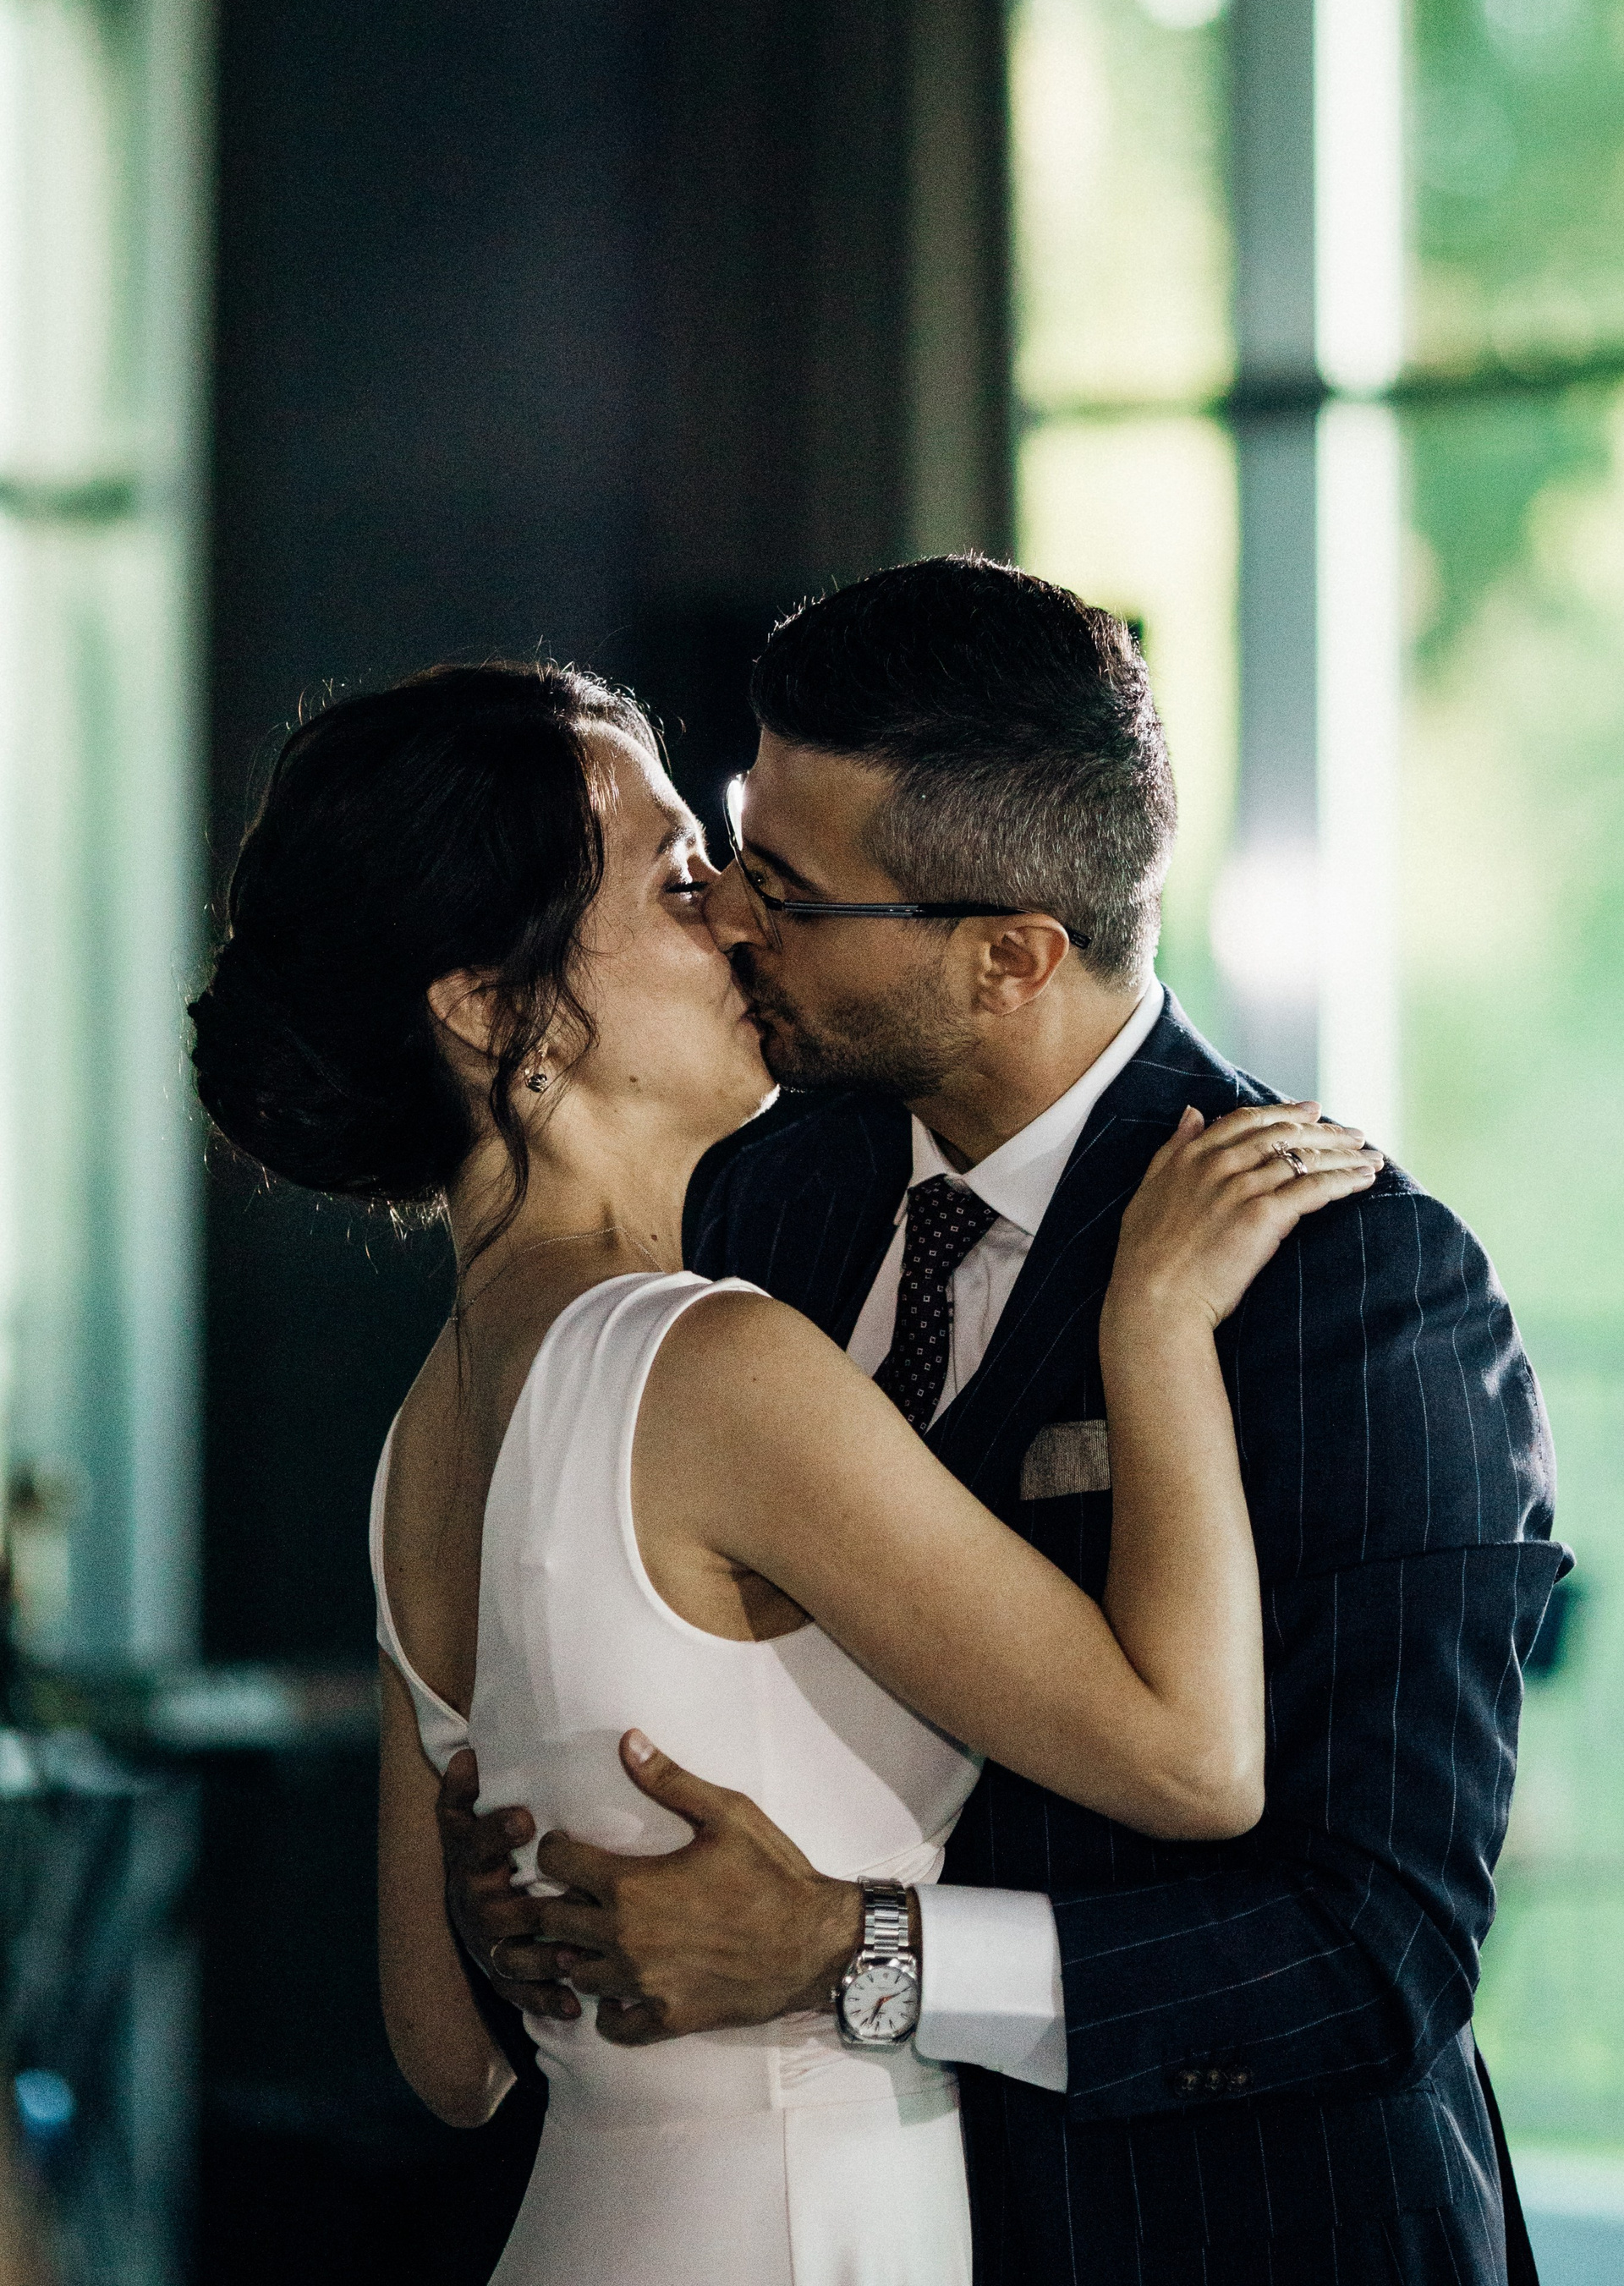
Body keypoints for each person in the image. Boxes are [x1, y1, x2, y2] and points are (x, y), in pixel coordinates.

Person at [447, 558, 1569, 2286]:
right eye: (734, 848)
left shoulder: (1352, 1286)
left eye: (787, 893)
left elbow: (1378, 1952)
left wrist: (857, 1953)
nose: (730, 918)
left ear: (1010, 958)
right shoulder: (758, 1203)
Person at [188, 655, 1374, 2286]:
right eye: (680, 881)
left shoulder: (419, 1432)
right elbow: (1191, 1761)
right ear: (490, 1009)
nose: (744, 918)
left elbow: (448, 2059)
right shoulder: (709, 1366)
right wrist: (1154, 1328)